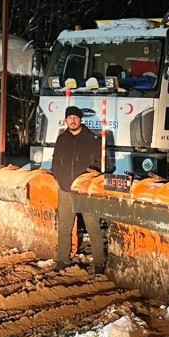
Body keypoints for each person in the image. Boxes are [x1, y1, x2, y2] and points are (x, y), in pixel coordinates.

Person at [52, 105, 106, 273]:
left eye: (75, 118)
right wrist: (60, 178)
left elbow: (99, 165)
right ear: (66, 120)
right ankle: (63, 259)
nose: (72, 121)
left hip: (85, 191)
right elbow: (55, 161)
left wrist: (89, 180)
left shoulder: (92, 139)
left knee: (93, 226)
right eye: (69, 118)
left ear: (80, 120)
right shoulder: (62, 139)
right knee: (64, 227)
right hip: (66, 189)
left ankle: (98, 263)